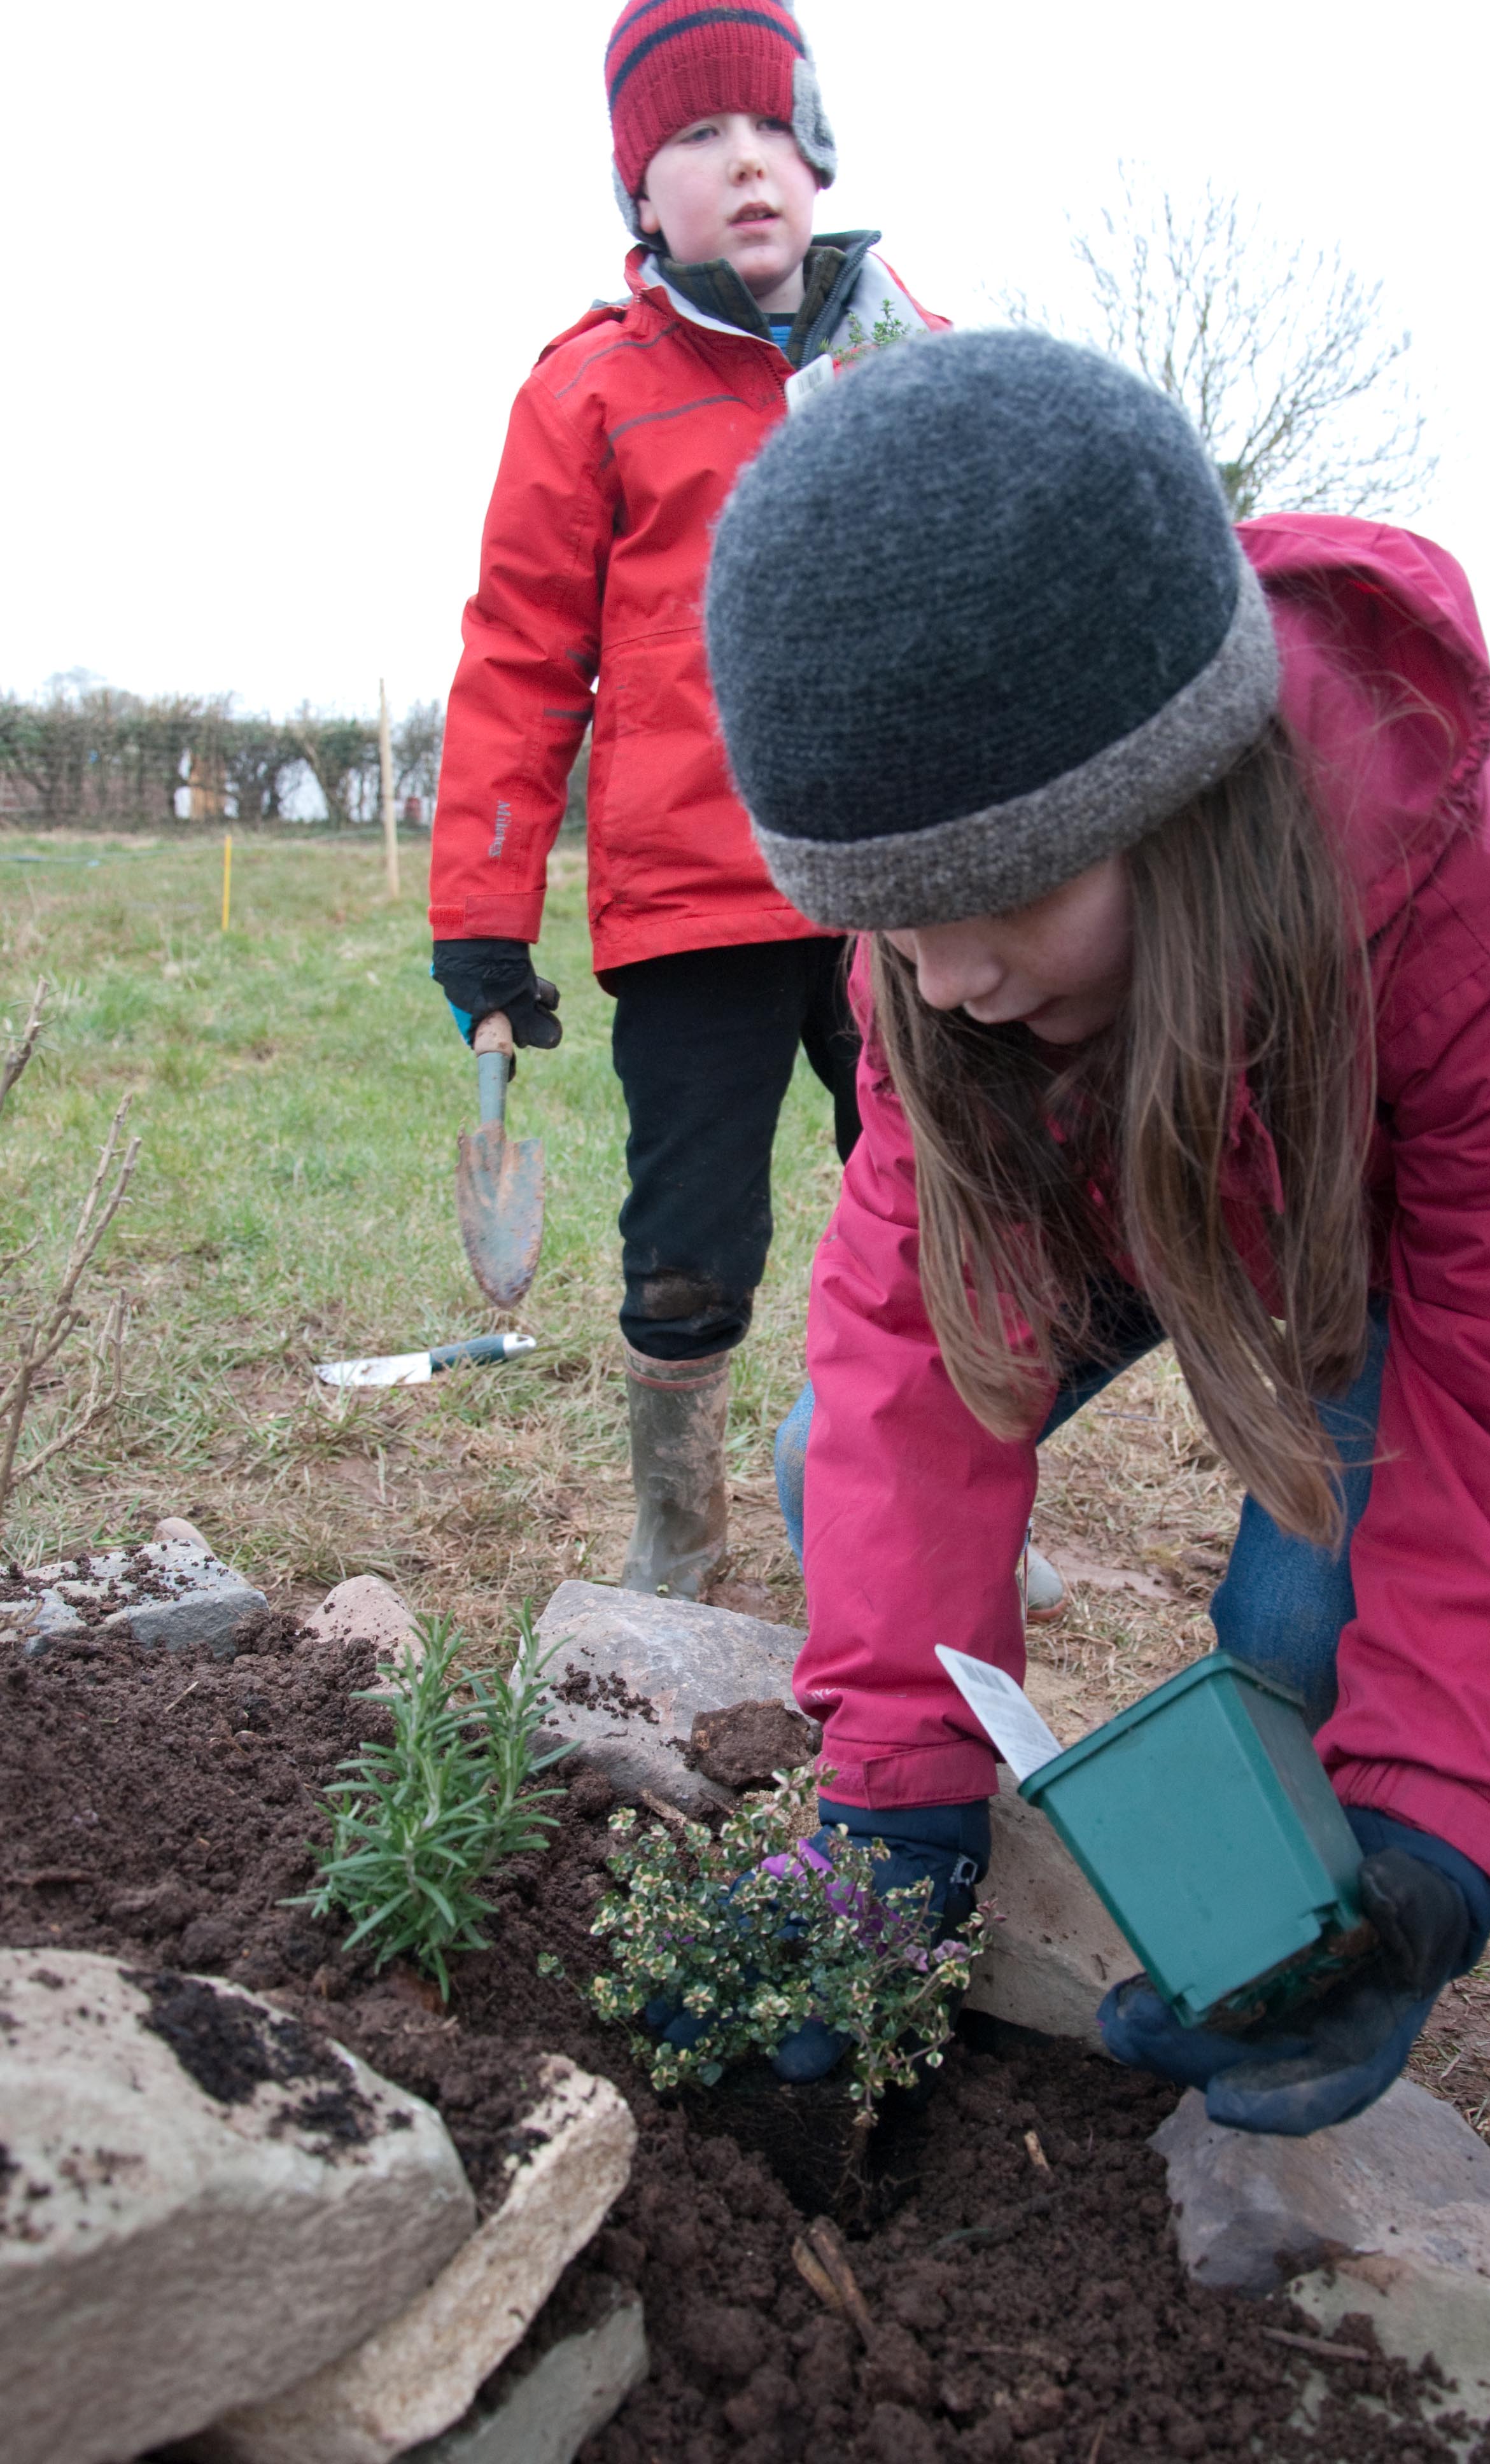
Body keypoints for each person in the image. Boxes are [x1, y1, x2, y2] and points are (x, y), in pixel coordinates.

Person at [696, 326, 1490, 2132]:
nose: (948, 984)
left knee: (1303, 1636)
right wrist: (893, 1802)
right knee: (836, 1449)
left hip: (1369, 1258)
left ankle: (1277, 1939)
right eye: (893, 929)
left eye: (999, 907)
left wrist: (1428, 1845)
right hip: (1114, 1196)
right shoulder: (947, 958)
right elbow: (914, 1343)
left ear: (1175, 799)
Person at [426, 0, 946, 1600]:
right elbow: (519, 666)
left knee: (954, 1212)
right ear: (637, 196)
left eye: (772, 131)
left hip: (902, 897)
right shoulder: (592, 392)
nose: (744, 166)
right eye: (694, 142)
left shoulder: (912, 355)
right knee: (692, 1235)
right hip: (696, 904)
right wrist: (482, 924)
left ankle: (942, 1491)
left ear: (821, 153)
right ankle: (681, 1525)